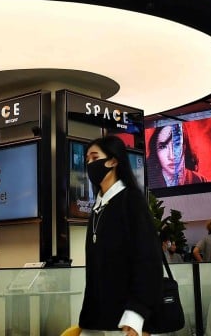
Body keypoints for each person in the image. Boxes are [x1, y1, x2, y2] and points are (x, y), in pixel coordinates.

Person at [78, 135, 162, 336]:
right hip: (96, 320)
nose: (90, 164)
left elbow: (147, 260)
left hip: (126, 322)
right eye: (87, 160)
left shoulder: (131, 201)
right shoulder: (98, 208)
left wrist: (137, 313)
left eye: (95, 157)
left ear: (113, 161)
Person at [146, 123, 207, 188]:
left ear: (184, 146)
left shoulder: (200, 180)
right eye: (163, 147)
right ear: (155, 150)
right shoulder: (149, 182)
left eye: (176, 145)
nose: (171, 156)